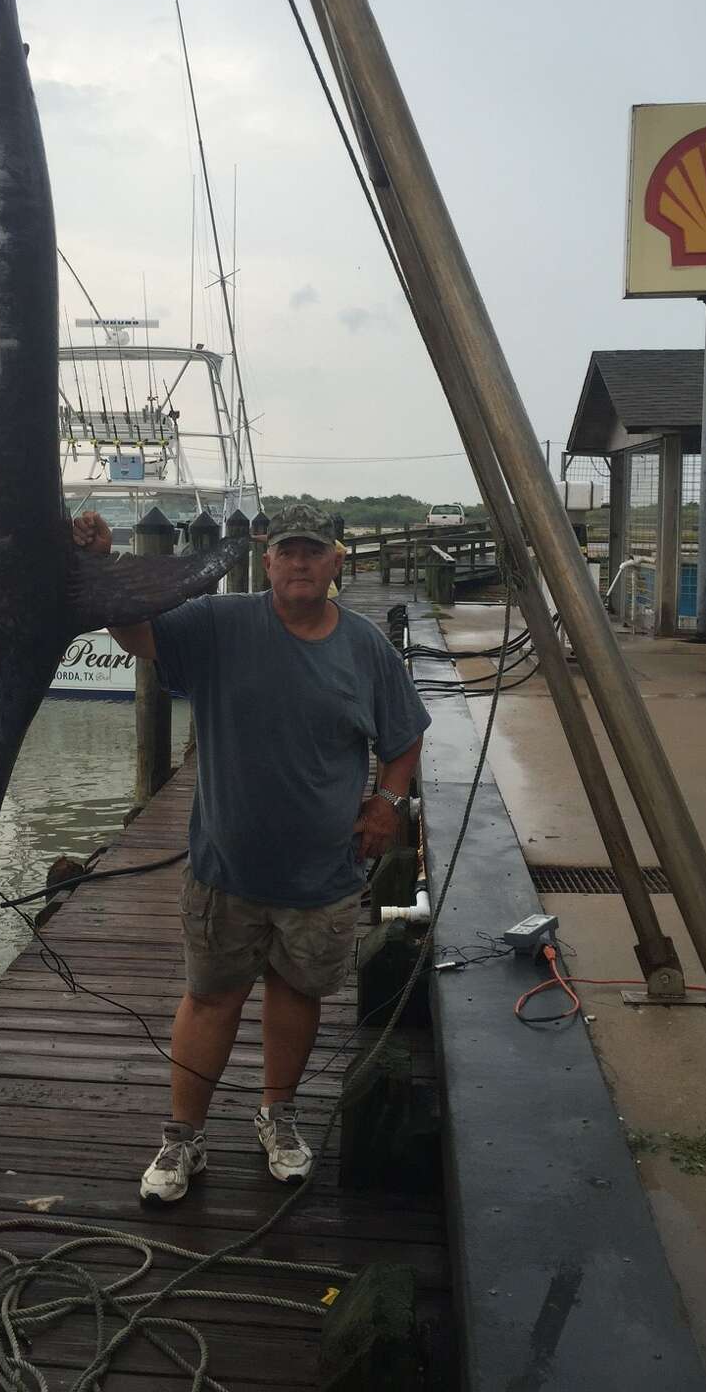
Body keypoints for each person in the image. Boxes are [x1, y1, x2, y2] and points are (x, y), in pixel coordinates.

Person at [71, 502, 431, 1204]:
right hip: (225, 869)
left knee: (296, 996)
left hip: (324, 872)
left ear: (336, 563)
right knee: (210, 1000)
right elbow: (136, 632)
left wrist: (387, 805)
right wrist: (101, 562)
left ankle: (278, 1115)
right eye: (287, 551)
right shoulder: (218, 623)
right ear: (266, 560)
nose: (299, 562)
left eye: (314, 551)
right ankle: (183, 1138)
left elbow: (403, 738)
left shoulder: (366, 648)